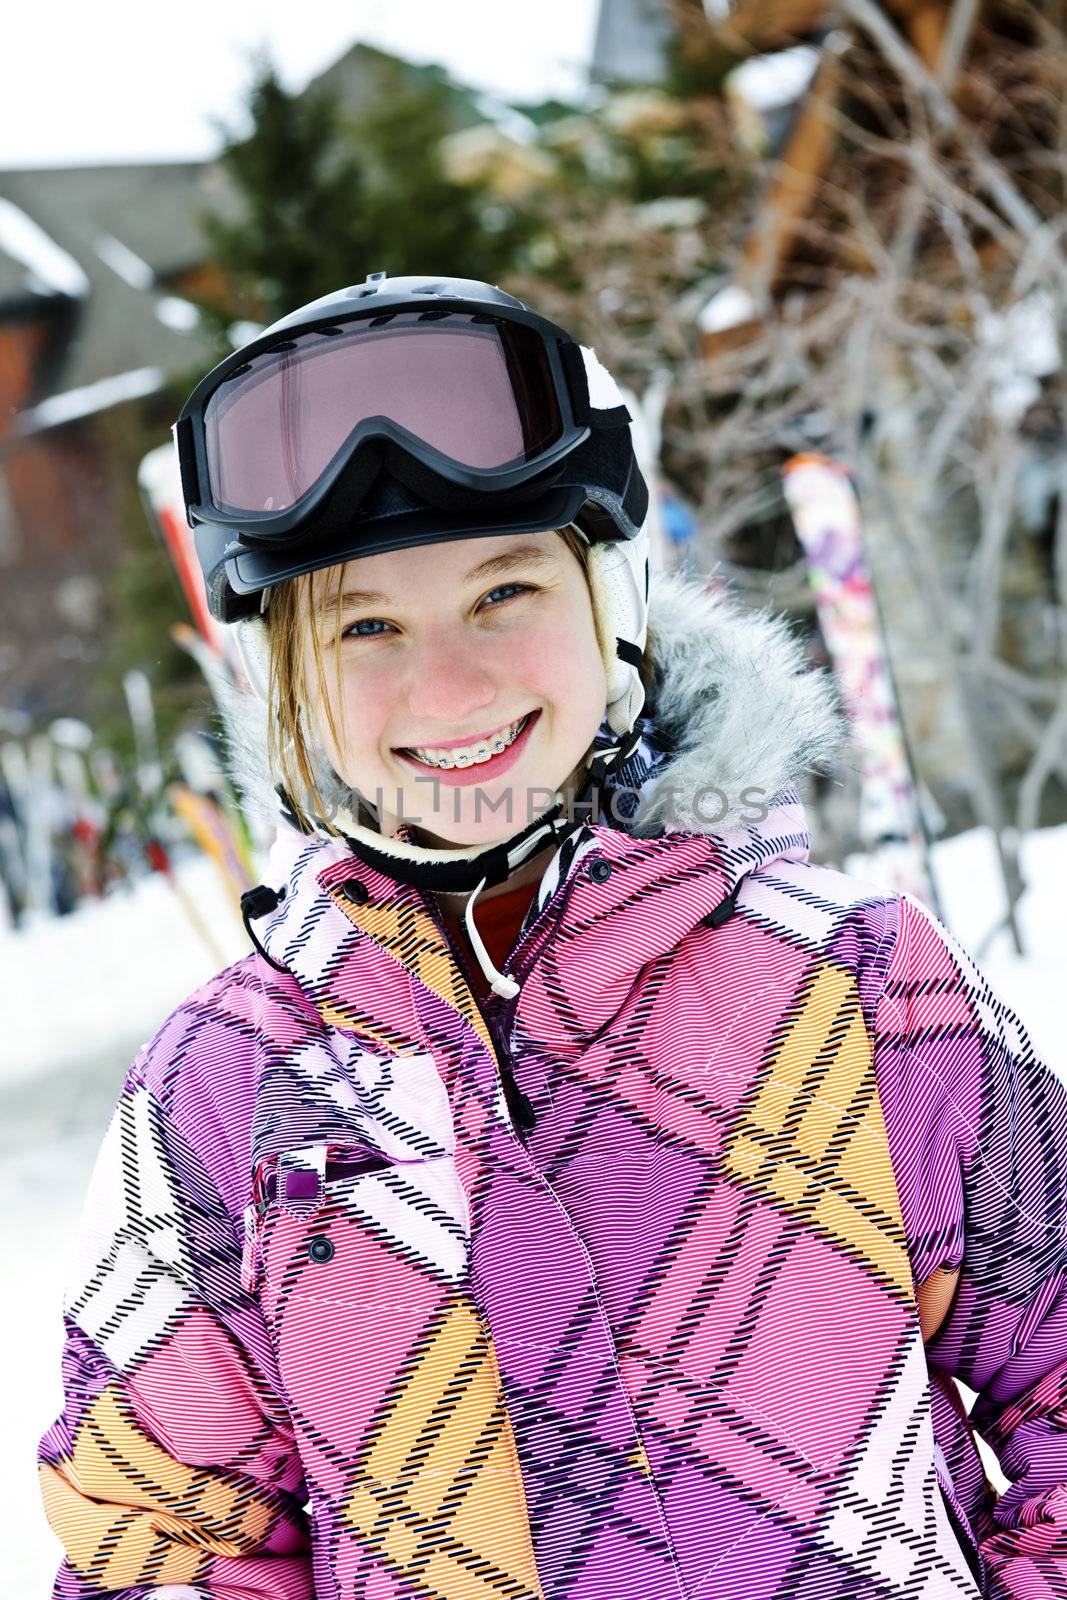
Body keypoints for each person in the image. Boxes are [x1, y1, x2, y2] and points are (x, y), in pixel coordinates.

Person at [38, 273, 1067, 1600]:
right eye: (365, 625)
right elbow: (162, 1546)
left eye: (503, 593)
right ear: (281, 681)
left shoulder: (864, 987)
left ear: (613, 607)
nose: (448, 684)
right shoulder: (224, 1091)